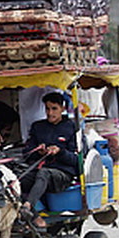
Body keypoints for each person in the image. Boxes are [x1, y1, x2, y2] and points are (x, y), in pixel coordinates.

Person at [19, 92, 78, 229]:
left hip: (62, 175)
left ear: (63, 109)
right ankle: (35, 215)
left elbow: (76, 160)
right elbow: (26, 153)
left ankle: (28, 206)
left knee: (44, 173)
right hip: (39, 171)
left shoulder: (72, 128)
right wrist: (37, 152)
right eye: (47, 109)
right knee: (16, 180)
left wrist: (60, 152)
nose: (50, 113)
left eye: (54, 109)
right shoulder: (38, 127)